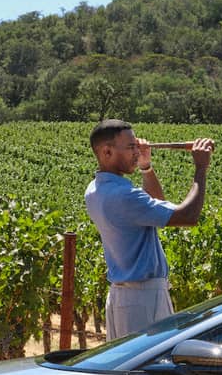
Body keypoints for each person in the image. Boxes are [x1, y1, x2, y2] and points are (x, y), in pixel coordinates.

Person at [84, 119, 215, 340]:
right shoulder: (123, 196)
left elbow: (156, 204)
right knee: (150, 359)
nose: (137, 152)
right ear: (107, 152)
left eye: (136, 145)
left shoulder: (95, 190)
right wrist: (201, 168)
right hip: (142, 298)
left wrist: (146, 167)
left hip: (123, 296)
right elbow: (188, 216)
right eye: (130, 147)